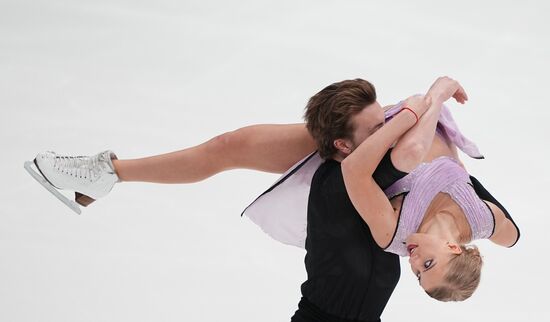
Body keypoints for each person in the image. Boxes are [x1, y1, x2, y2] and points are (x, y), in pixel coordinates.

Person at [25, 76, 519, 321]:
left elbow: (400, 153)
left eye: (419, 274)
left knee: (240, 148)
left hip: (377, 163)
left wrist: (430, 98)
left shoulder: (395, 225)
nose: (416, 263)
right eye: (426, 266)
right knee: (230, 145)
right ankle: (105, 175)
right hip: (388, 146)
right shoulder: (472, 218)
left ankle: (104, 176)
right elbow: (507, 232)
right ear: (454, 250)